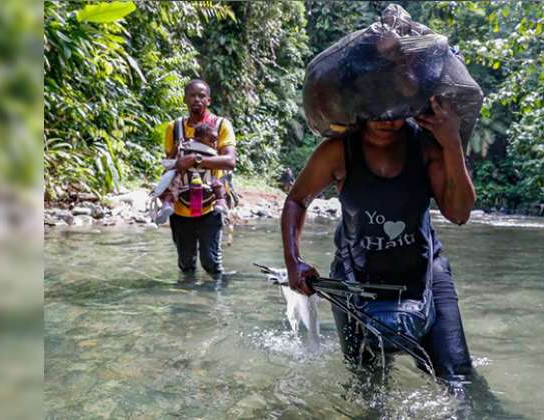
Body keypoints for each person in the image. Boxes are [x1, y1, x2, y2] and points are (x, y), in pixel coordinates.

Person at [281, 96, 475, 390]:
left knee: (458, 378)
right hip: (354, 276)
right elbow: (297, 199)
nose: (387, 119)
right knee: (367, 386)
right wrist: (293, 262)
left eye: (396, 110)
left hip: (424, 272)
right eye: (377, 109)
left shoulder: (425, 146)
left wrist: (451, 143)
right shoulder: (338, 150)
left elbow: (459, 214)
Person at [164, 79, 236, 277]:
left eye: (202, 95)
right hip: (180, 206)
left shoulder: (221, 125)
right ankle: (186, 304)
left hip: (210, 204)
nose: (197, 99)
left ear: (209, 100)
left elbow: (230, 161)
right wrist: (164, 192)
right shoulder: (174, 127)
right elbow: (169, 162)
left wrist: (194, 159)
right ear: (185, 99)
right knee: (185, 264)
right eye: (192, 95)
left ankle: (215, 303)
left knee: (211, 262)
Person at [152, 122, 228, 225]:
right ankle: (220, 200)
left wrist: (176, 148)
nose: (214, 144)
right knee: (216, 182)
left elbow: (169, 161)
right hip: (206, 192)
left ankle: (167, 203)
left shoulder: (184, 147)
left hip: (184, 191)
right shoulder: (212, 153)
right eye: (211, 140)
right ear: (199, 138)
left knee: (174, 182)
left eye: (215, 141)